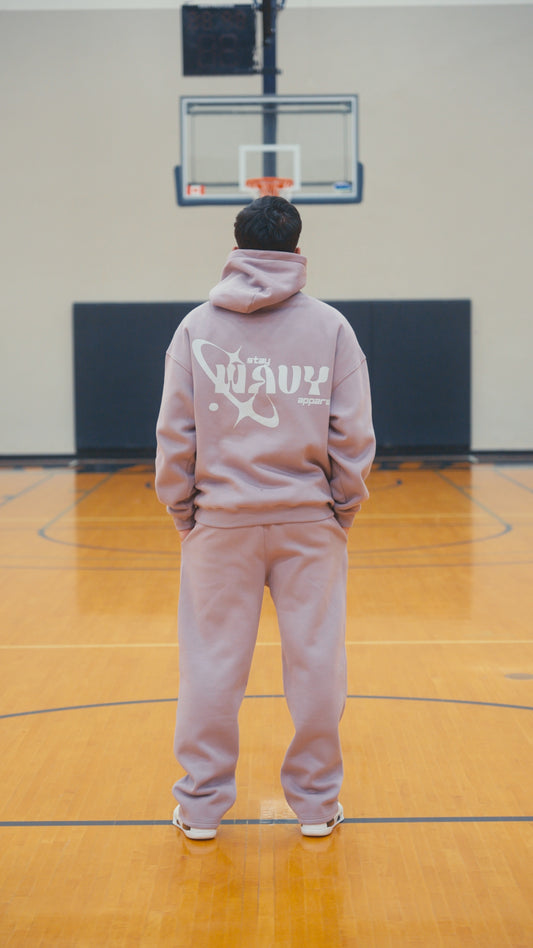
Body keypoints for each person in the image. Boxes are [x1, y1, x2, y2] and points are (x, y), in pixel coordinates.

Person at [155, 196, 375, 841]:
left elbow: (174, 436)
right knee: (316, 662)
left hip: (220, 524)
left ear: (236, 246)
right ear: (298, 250)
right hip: (309, 523)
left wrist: (184, 513)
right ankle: (316, 805)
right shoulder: (332, 328)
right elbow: (353, 436)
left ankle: (201, 807)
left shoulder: (196, 328)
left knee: (210, 665)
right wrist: (341, 509)